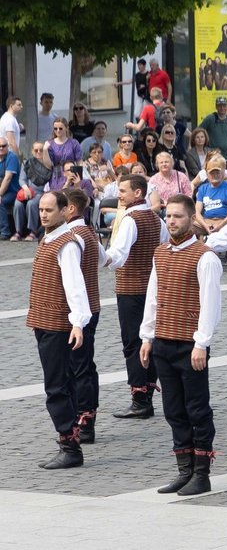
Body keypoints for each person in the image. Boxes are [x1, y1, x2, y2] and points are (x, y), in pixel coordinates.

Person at [137, 195, 221, 495]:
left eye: (178, 216)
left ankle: (202, 473)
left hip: (190, 345)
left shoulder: (205, 256)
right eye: (168, 216)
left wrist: (202, 343)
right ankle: (183, 470)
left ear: (191, 220)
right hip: (163, 341)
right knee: (173, 409)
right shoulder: (160, 253)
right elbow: (153, 297)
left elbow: (210, 303)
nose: (172, 221)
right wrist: (147, 337)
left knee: (196, 408)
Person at [28, 191, 91, 469]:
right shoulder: (49, 239)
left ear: (65, 211)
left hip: (57, 325)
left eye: (49, 210)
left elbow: (75, 286)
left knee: (57, 386)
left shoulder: (67, 244)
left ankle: (70, 446)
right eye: (41, 209)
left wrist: (78, 322)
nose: (43, 214)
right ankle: (71, 441)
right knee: (61, 383)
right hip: (44, 323)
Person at [102, 173, 168, 420]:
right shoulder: (155, 219)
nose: (119, 195)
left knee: (133, 342)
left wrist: (101, 258)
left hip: (131, 289)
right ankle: (147, 393)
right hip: (151, 287)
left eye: (123, 191)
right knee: (148, 338)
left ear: (138, 193)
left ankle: (139, 398)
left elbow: (118, 255)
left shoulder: (130, 219)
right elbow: (162, 248)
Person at [193, 158, 227, 235]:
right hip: (206, 222)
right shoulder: (202, 188)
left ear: (223, 172)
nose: (215, 175)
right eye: (212, 173)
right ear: (207, 174)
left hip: (225, 220)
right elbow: (197, 212)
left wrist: (219, 226)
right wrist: (206, 226)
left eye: (217, 172)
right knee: (188, 221)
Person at [199, 98, 227, 172]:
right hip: (216, 157)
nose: (222, 108)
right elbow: (199, 131)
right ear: (216, 107)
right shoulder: (210, 119)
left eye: (224, 106)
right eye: (220, 106)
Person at [0, 137, 20, 239]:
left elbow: (7, 178)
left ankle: (5, 232)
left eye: (3, 146)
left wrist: (0, 195)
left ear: (8, 146)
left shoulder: (12, 157)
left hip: (13, 191)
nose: (1, 148)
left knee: (1, 201)